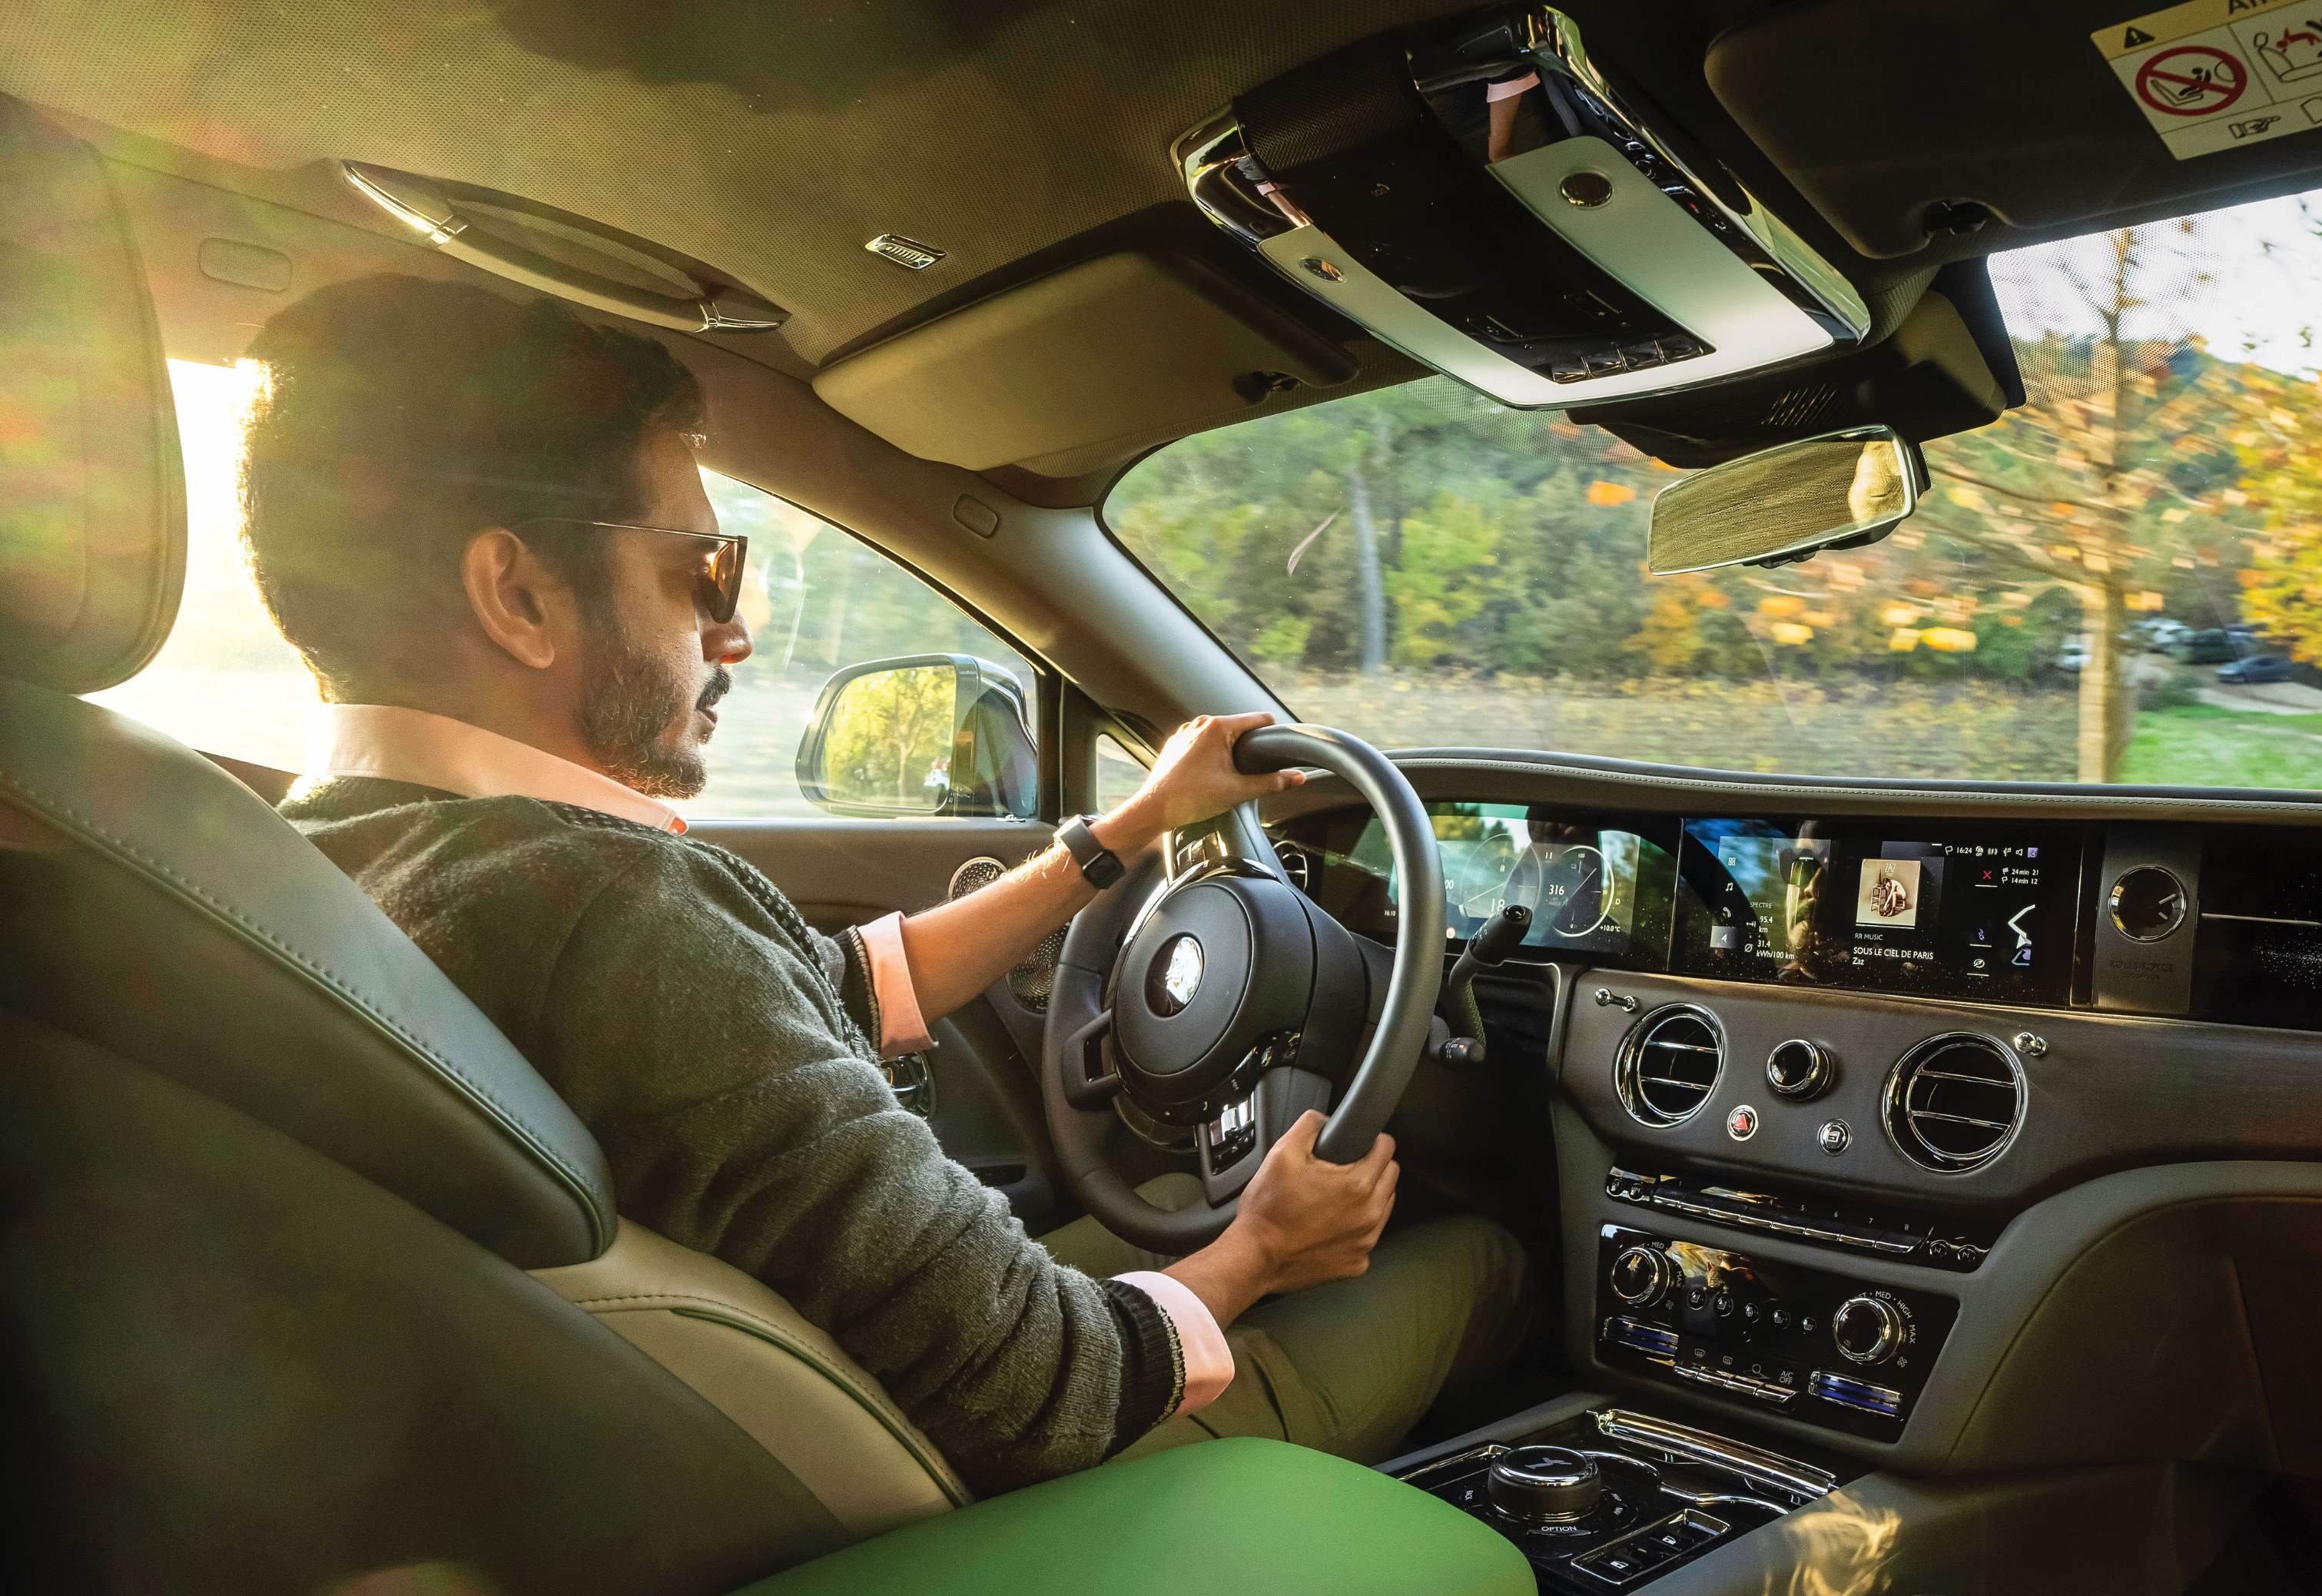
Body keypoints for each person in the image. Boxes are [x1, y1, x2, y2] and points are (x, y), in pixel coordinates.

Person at [244, 275, 1527, 1495]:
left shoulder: (330, 860)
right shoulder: (615, 912)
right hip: (960, 1470)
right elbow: (1039, 1386)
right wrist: (1263, 1250)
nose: (732, 629)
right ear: (518, 594)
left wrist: (1132, 827)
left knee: (1151, 1232)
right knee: (1477, 1256)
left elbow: (844, 987)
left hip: (785, 1418)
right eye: (702, 569)